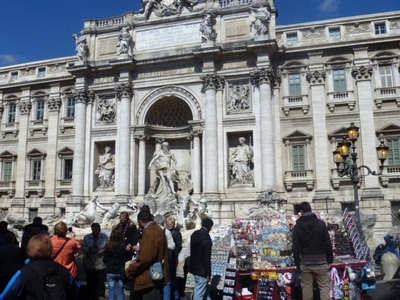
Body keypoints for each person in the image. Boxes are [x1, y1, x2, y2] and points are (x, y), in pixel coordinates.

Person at [0, 234, 79, 299]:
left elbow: (7, 294)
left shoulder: (25, 272)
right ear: (50, 249)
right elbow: (76, 289)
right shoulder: (62, 270)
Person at [292, 201, 333, 300]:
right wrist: (330, 259)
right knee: (324, 287)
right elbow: (327, 242)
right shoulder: (321, 224)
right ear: (310, 209)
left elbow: (295, 247)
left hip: (305, 261)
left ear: (301, 211)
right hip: (321, 260)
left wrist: (297, 262)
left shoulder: (297, 227)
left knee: (306, 288)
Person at [125, 209, 169, 300]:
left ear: (140, 222)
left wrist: (130, 269)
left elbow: (146, 258)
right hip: (153, 276)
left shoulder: (150, 232)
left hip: (147, 279)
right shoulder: (158, 229)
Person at [82, 222, 108, 300]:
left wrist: (103, 250)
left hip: (101, 261)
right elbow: (83, 247)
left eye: (97, 228)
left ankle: (100, 295)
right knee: (90, 281)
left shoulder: (104, 237)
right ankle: (90, 296)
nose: (96, 229)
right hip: (90, 261)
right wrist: (90, 249)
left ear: (99, 229)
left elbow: (108, 246)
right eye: (94, 228)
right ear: (92, 229)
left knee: (100, 281)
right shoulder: (87, 237)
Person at [189, 218, 214, 300]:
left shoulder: (194, 234)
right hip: (202, 270)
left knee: (205, 291)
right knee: (199, 292)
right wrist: (208, 273)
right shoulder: (207, 239)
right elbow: (206, 258)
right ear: (210, 227)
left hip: (194, 266)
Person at [103, 230, 131, 300]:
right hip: (120, 271)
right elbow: (128, 257)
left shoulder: (108, 247)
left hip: (110, 271)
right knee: (120, 291)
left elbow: (105, 260)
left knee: (111, 291)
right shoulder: (123, 246)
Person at [154, 214, 175, 300]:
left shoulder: (151, 231)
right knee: (166, 282)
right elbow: (172, 246)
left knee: (154, 280)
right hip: (164, 260)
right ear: (163, 222)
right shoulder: (166, 232)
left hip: (153, 261)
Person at [166, 216, 183, 300]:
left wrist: (174, 252)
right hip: (166, 257)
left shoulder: (176, 233)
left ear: (173, 224)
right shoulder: (165, 232)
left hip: (172, 257)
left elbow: (179, 245)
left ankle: (176, 296)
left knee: (172, 277)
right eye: (168, 224)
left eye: (171, 224)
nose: (169, 225)